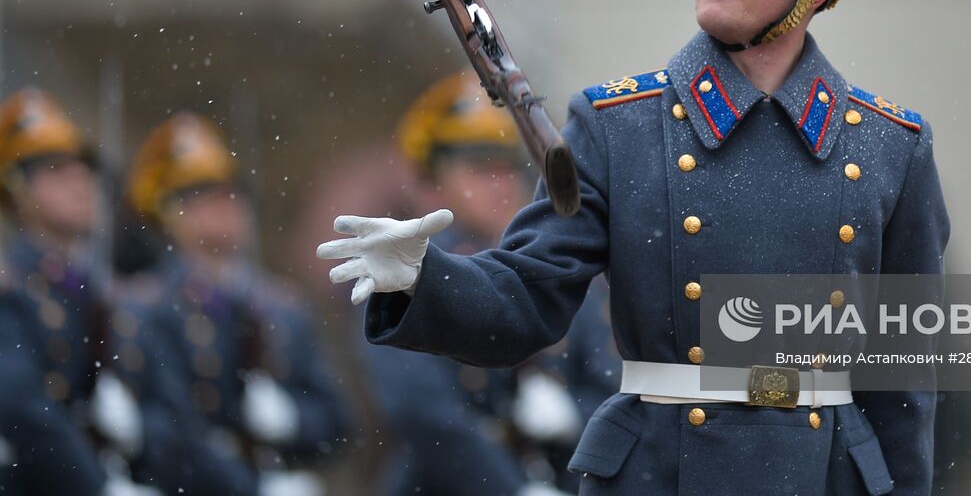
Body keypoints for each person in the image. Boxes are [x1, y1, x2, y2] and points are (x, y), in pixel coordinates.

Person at [318, 0, 951, 495]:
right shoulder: (617, 125)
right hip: (662, 473)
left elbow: (902, 389)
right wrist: (422, 275)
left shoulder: (894, 149)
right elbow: (528, 297)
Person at [363, 72, 616, 495]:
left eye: (506, 170)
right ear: (433, 184)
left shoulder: (559, 268)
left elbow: (609, 386)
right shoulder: (409, 267)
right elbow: (424, 413)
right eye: (480, 171)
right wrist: (510, 488)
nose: (499, 186)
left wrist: (571, 414)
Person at [124, 112, 350, 495]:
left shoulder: (284, 307)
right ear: (168, 212)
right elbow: (170, 433)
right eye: (202, 195)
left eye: (233, 192)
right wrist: (253, 488)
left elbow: (339, 421)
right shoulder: (147, 307)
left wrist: (293, 421)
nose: (225, 205)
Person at [0, 88, 162, 495]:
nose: (81, 183)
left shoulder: (104, 293)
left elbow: (167, 412)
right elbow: (24, 413)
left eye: (84, 170)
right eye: (57, 171)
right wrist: (99, 487)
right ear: (17, 189)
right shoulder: (12, 290)